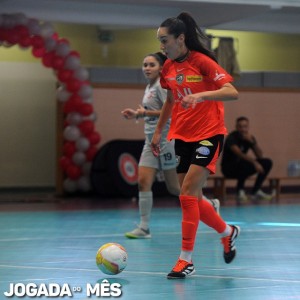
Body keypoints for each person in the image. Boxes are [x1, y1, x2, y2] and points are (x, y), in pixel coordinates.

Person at [151, 12, 240, 279]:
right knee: (190, 197)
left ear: (181, 38)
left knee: (188, 192)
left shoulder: (202, 62)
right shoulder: (167, 67)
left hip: (209, 134)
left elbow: (231, 92)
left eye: (165, 40)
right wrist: (158, 133)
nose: (162, 45)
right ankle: (227, 232)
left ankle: (185, 259)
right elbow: (169, 101)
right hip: (183, 136)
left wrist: (202, 95)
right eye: (159, 40)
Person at [121, 52, 220, 239]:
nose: (147, 68)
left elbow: (172, 110)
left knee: (175, 188)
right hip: (150, 142)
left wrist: (144, 114)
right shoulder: (149, 86)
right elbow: (151, 111)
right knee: (143, 181)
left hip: (166, 141)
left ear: (161, 68)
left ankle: (210, 204)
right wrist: (136, 114)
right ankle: (144, 227)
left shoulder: (161, 85)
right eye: (144, 65)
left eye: (151, 65)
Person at [221, 116, 273, 203]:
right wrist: (255, 163)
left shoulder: (249, 138)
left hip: (242, 166)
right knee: (244, 162)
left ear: (248, 127)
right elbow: (239, 154)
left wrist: (252, 142)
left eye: (245, 126)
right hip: (228, 169)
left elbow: (260, 155)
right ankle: (240, 191)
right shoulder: (231, 138)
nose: (243, 129)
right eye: (240, 126)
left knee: (267, 162)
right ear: (237, 127)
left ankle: (256, 191)